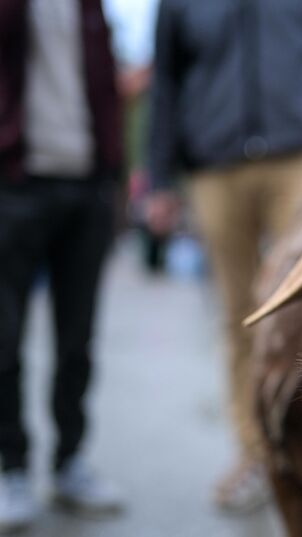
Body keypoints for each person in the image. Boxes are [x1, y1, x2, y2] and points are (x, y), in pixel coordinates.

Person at [147, 0, 302, 513]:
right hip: (215, 167)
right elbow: (166, 83)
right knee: (240, 315)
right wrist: (159, 179)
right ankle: (257, 454)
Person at [0, 0, 124, 532]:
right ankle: (12, 467)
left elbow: (108, 86)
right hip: (14, 183)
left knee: (77, 339)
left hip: (86, 185)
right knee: (4, 338)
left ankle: (69, 460)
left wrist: (113, 173)